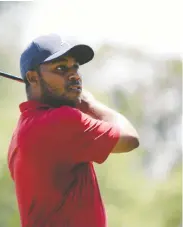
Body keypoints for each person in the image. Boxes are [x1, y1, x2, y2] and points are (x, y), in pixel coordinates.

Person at [7, 34, 140, 227]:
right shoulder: (60, 121)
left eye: (75, 67)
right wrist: (90, 104)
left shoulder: (21, 130)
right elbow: (130, 139)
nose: (74, 75)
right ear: (32, 78)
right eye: (60, 68)